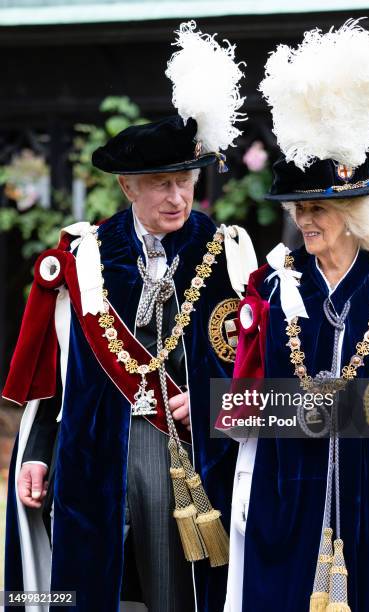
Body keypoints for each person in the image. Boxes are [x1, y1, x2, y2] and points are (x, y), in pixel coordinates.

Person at [3, 22, 256, 612]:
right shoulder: (86, 254)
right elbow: (55, 372)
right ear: (127, 187)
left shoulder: (229, 252)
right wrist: (37, 449)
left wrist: (220, 402)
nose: (176, 198)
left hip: (188, 452)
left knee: (176, 593)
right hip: (94, 448)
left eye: (184, 182)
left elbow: (255, 361)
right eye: (160, 185)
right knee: (87, 588)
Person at [224, 21, 369, 612]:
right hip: (293, 492)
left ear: (352, 210)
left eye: (319, 208)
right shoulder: (279, 285)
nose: (306, 221)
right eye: (299, 209)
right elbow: (250, 403)